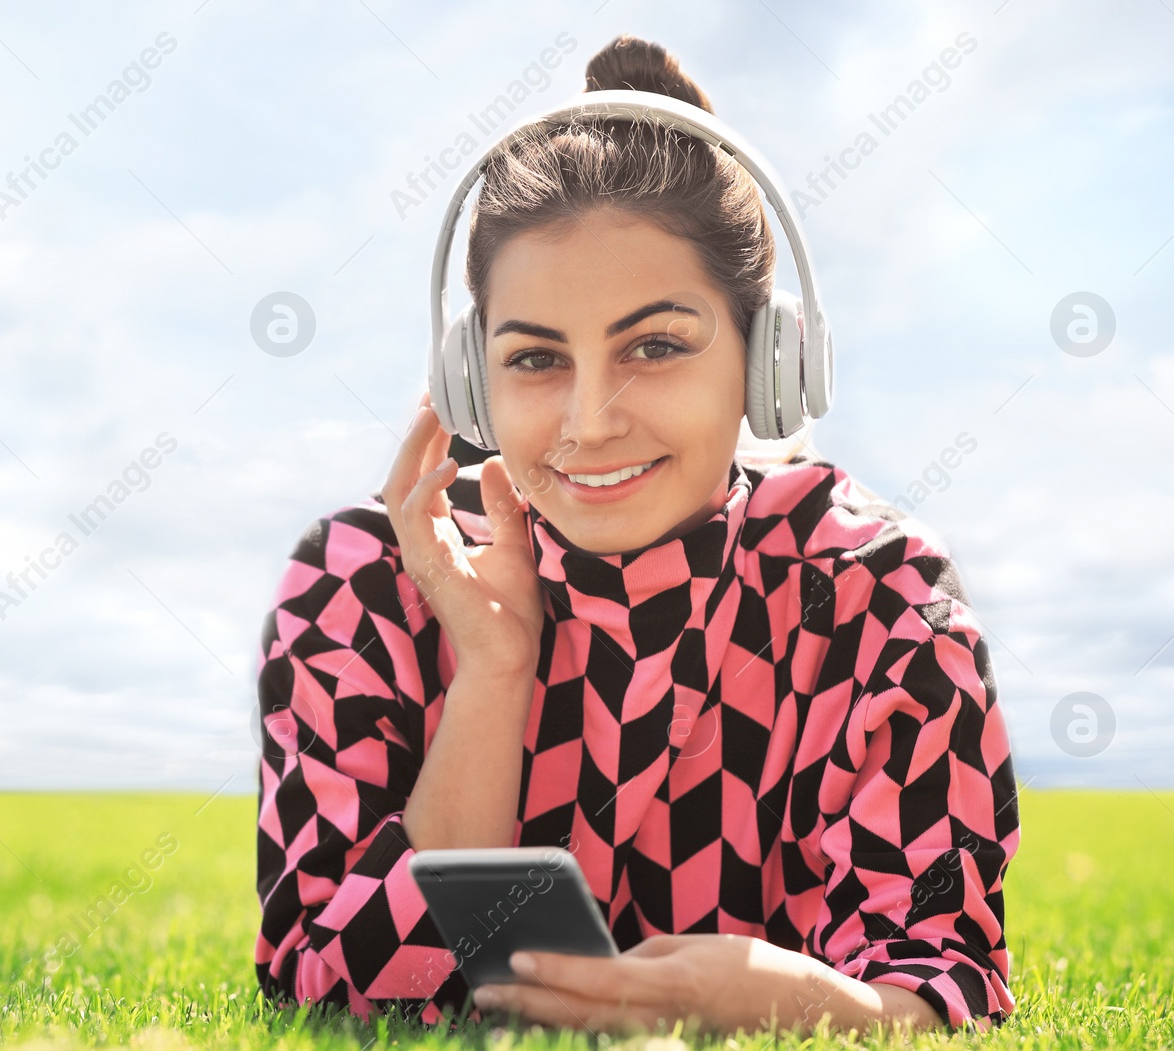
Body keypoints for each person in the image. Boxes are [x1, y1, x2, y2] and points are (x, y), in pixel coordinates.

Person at [254, 33, 1019, 1039]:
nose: (588, 423)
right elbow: (324, 981)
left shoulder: (877, 595)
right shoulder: (359, 586)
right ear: (469, 381)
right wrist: (492, 669)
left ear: (767, 360)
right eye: (533, 359)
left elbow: (936, 980)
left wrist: (792, 1004)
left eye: (654, 345)